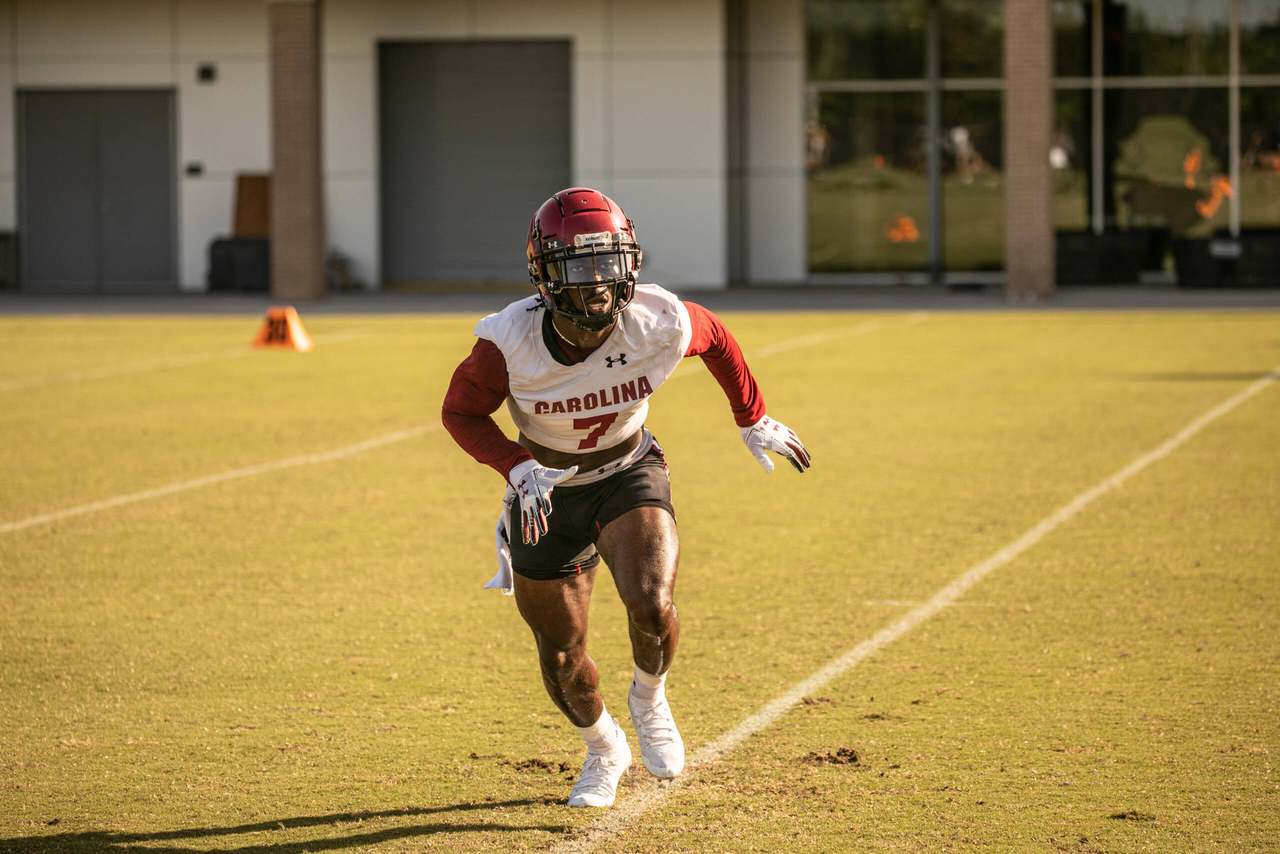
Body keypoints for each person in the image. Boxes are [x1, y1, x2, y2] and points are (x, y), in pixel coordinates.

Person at [441, 187, 811, 808]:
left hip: (626, 469)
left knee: (652, 604)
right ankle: (605, 748)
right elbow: (459, 412)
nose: (599, 283)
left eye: (609, 263)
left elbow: (716, 337)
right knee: (561, 654)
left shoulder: (655, 318)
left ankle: (649, 697)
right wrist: (515, 464)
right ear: (544, 275)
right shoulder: (508, 341)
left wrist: (752, 417)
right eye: (579, 268)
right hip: (544, 493)